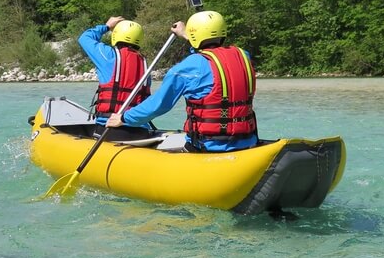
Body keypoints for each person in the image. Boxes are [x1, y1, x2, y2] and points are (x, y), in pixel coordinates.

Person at [105, 10, 258, 152]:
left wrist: (124, 118)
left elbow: (159, 105)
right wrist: (187, 35)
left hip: (207, 146)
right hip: (248, 141)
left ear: (194, 36)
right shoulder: (244, 56)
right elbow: (213, 57)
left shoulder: (186, 68)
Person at [78, 16, 153, 141]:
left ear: (116, 35)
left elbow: (84, 38)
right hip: (141, 132)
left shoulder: (108, 56)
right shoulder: (145, 65)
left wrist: (106, 26)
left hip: (111, 129)